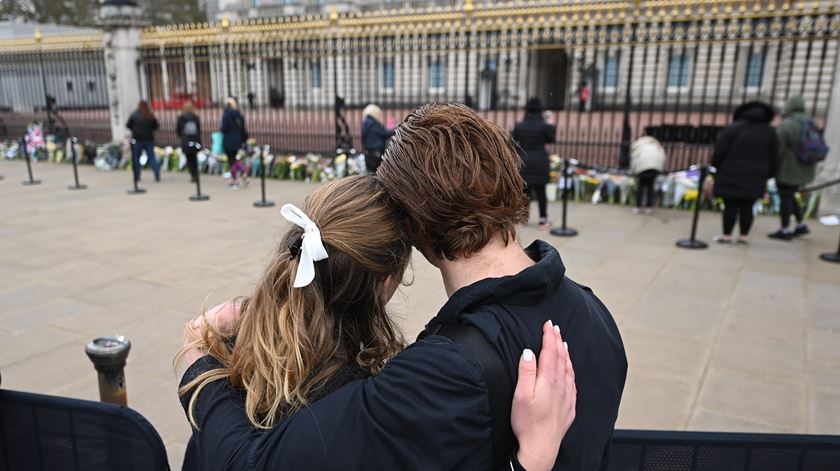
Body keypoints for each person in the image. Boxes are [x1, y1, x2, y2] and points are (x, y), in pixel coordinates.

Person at [178, 104, 626, 470]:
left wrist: (198, 362)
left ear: (412, 227)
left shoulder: (439, 375)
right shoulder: (595, 315)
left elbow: (247, 463)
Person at [712, 101, 778, 244]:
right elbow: (774, 157)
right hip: (756, 175)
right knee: (748, 206)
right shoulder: (770, 132)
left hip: (731, 172)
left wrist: (717, 167)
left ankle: (726, 235)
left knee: (730, 206)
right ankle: (743, 236)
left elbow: (719, 153)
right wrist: (769, 174)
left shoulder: (732, 129)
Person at [769, 96, 819, 240]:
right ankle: (800, 224)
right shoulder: (811, 123)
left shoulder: (787, 125)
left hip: (788, 169)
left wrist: (772, 167)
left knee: (785, 197)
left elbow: (777, 149)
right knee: (791, 195)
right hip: (805, 168)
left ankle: (785, 229)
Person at [513, 97, 556, 229]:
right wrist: (550, 123)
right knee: (541, 192)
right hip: (540, 161)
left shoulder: (520, 125)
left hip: (524, 160)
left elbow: (513, 140)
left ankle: (523, 218)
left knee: (525, 192)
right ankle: (543, 220)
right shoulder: (543, 126)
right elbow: (551, 139)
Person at [630, 135, 667, 214]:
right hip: (655, 167)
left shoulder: (638, 144)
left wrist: (633, 170)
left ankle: (638, 206)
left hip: (642, 166)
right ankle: (649, 207)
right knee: (650, 186)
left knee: (640, 186)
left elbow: (634, 157)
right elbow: (663, 156)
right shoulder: (655, 144)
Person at [126, 100, 161, 183]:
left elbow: (128, 125)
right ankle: (157, 175)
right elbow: (156, 126)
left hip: (137, 139)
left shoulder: (134, 115)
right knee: (152, 157)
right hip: (149, 139)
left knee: (136, 158)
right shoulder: (150, 115)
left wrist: (135, 130)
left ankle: (137, 176)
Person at [220, 97, 249, 189]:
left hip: (229, 140)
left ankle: (235, 180)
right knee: (236, 160)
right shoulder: (239, 115)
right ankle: (243, 173)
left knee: (232, 161)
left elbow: (223, 129)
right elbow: (243, 129)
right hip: (238, 140)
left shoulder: (226, 115)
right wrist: (243, 141)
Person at [360, 103, 394, 173]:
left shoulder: (366, 123)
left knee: (370, 175)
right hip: (375, 154)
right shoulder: (372, 123)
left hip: (368, 154)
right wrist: (396, 129)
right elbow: (385, 133)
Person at [176, 101, 201, 183]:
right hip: (194, 140)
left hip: (186, 140)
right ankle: (196, 174)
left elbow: (178, 130)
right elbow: (198, 130)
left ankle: (192, 174)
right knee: (194, 158)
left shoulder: (181, 118)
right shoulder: (195, 117)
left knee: (189, 159)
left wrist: (182, 137)